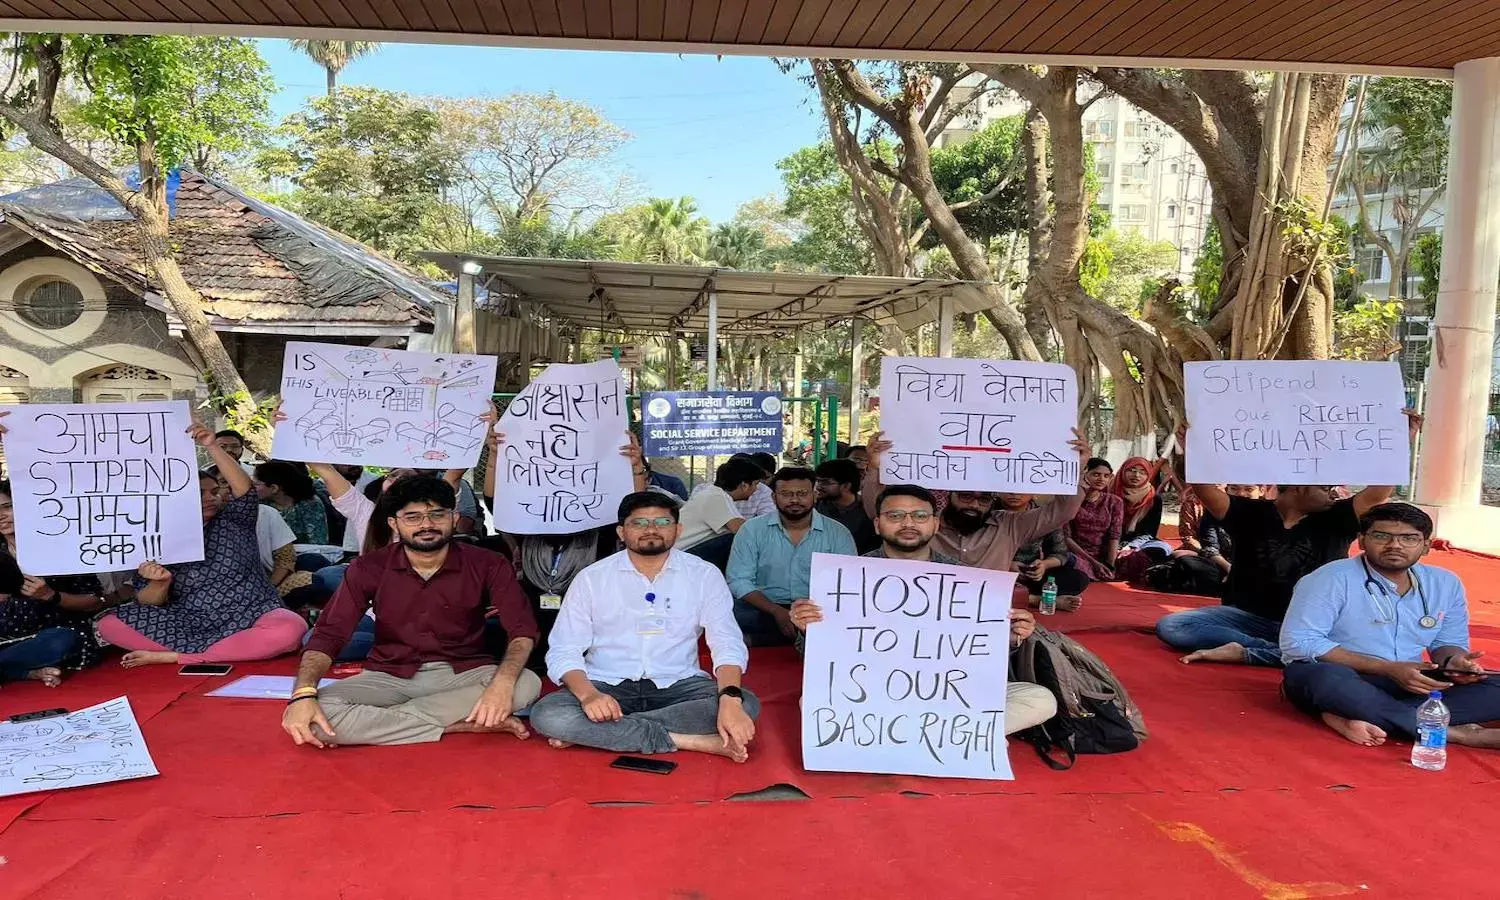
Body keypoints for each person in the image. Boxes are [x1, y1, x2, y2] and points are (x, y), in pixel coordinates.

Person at [282, 475, 542, 747]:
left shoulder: (488, 563)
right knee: (312, 716)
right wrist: (303, 693)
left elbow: (522, 630)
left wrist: (502, 683)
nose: (426, 525)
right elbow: (330, 633)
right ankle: (455, 725)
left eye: (437, 515)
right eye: (412, 517)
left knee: (526, 683)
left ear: (453, 518)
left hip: (464, 673)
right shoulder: (370, 567)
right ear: (394, 523)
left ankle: (388, 723)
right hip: (389, 675)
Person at [789, 483, 1058, 736]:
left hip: (947, 691)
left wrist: (1009, 637)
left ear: (935, 524)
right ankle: (949, 735)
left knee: (1040, 699)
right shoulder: (845, 578)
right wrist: (806, 629)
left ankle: (913, 736)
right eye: (895, 516)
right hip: (873, 689)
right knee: (811, 701)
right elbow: (819, 657)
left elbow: (979, 654)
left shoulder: (965, 578)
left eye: (919, 516)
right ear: (878, 524)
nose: (908, 524)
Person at [1157, 412, 1419, 666]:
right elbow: (1204, 489)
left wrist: (1399, 441)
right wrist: (1194, 449)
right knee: (1174, 626)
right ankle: (1285, 652)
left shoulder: (1338, 517)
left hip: (1313, 623)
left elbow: (1378, 492)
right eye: (1325, 488)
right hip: (1249, 617)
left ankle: (1257, 652)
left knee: (1367, 644)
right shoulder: (1248, 512)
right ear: (1299, 487)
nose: (1333, 495)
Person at [529, 492, 760, 761]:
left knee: (745, 703)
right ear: (621, 532)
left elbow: (726, 641)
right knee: (548, 714)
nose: (651, 529)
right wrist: (589, 696)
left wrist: (730, 699)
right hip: (605, 683)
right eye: (638, 523)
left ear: (678, 529)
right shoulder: (592, 578)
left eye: (662, 522)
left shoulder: (704, 574)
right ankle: (686, 740)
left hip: (679, 683)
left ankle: (602, 731)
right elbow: (564, 649)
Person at [1280, 503, 1500, 749]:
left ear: (1426, 546)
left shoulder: (1445, 583)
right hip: (1347, 675)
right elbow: (1300, 642)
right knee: (1321, 679)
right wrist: (1387, 669)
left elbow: (1447, 643)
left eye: (1409, 538)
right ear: (1362, 540)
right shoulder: (1328, 578)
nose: (1395, 545)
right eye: (1382, 536)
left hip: (1412, 680)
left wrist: (1454, 662)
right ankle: (1456, 733)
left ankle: (1350, 714)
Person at [95, 424, 308, 668]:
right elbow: (148, 601)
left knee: (291, 628)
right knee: (109, 624)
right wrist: (160, 582)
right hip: (189, 620)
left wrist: (212, 445)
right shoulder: (156, 536)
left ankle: (181, 656)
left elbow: (245, 490)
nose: (211, 498)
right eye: (200, 494)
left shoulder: (234, 520)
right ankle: (225, 650)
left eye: (215, 492)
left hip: (254, 612)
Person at [861, 429, 1093, 575]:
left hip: (984, 620)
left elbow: (1062, 512)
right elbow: (878, 510)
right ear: (949, 495)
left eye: (983, 499)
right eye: (965, 496)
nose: (974, 504)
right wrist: (875, 468)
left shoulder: (1011, 525)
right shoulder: (927, 522)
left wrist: (1076, 468)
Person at [726, 467, 857, 643]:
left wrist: (807, 614)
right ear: (774, 497)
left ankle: (762, 641)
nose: (794, 500)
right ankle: (796, 639)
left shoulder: (838, 533)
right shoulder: (752, 529)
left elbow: (847, 583)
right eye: (786, 494)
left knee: (844, 617)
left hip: (817, 610)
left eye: (802, 493)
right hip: (764, 607)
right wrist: (776, 611)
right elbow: (739, 580)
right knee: (730, 612)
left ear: (815, 495)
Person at [0, 479, 110, 686]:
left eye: (7, 507)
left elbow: (95, 602)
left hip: (51, 636)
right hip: (7, 639)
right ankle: (24, 672)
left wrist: (50, 595)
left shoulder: (63, 546)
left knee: (61, 641)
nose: (1, 516)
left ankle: (14, 669)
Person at [999, 493, 1088, 611]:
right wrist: (1008, 565)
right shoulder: (988, 512)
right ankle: (1036, 599)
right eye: (1008, 489)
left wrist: (1044, 565)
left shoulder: (1044, 515)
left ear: (1034, 493)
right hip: (996, 571)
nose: (1014, 494)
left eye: (1021, 490)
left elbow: (1060, 553)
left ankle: (1018, 596)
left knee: (1078, 579)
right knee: (987, 584)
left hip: (1029, 573)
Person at [678, 457, 762, 570]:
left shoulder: (717, 494)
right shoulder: (715, 497)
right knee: (739, 538)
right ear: (744, 485)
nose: (756, 489)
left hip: (685, 553)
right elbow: (741, 529)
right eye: (756, 484)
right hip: (681, 555)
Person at [1064, 458, 1124, 582]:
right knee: (1067, 561)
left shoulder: (1114, 501)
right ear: (1083, 474)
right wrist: (1093, 563)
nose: (1101, 479)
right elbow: (1066, 538)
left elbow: (1114, 535)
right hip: (1076, 554)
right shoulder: (1069, 500)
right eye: (1096, 474)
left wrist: (1110, 565)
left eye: (1106, 476)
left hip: (1103, 555)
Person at [254, 461, 329, 545]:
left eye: (256, 484)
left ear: (274, 488)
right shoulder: (259, 505)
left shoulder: (310, 504)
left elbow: (318, 542)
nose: (252, 487)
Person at [815, 457, 878, 554]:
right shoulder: (815, 508)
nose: (819, 487)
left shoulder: (869, 510)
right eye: (818, 481)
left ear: (846, 486)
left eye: (825, 483)